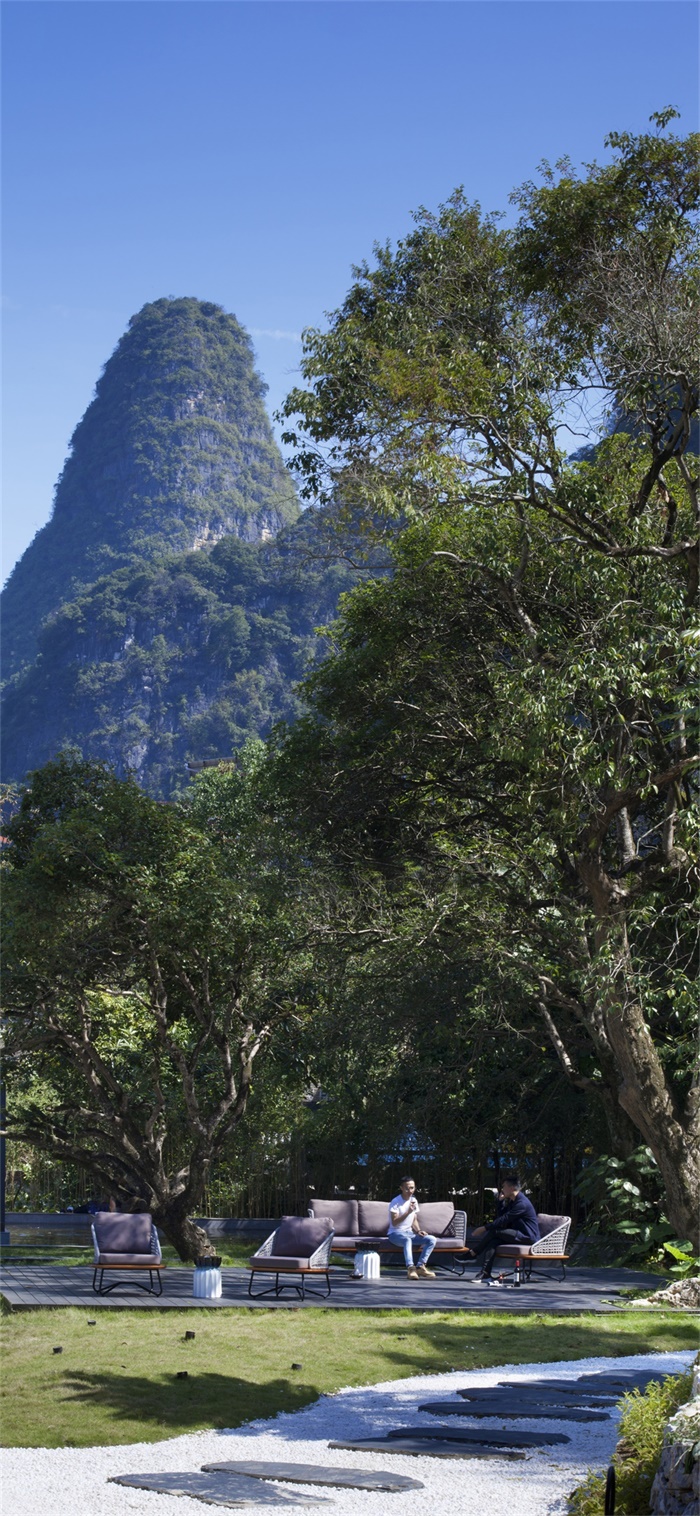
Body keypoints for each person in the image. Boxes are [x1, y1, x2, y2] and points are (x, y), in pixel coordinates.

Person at [464, 1174, 539, 1284]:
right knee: (493, 1242)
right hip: (517, 1234)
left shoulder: (522, 1203)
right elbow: (502, 1216)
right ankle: (485, 1273)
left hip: (527, 1236)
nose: (502, 1189)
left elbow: (505, 1219)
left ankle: (474, 1253)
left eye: (504, 1187)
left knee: (495, 1232)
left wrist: (484, 1228)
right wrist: (500, 1201)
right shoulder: (514, 1201)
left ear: (512, 1188)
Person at [387, 1176, 437, 1279]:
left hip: (409, 1233)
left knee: (431, 1239)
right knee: (407, 1240)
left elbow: (414, 1219)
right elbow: (395, 1222)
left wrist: (418, 1231)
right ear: (401, 1188)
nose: (410, 1191)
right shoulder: (395, 1201)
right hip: (395, 1234)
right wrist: (407, 1212)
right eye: (407, 1188)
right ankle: (410, 1268)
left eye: (412, 1188)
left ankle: (420, 1266)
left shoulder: (414, 1200)